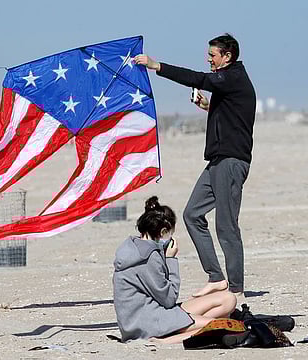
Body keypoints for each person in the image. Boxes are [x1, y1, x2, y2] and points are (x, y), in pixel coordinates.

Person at [134, 33, 256, 299]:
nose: (209, 60)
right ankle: (216, 277)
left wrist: (158, 67)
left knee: (226, 225)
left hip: (231, 161)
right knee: (191, 215)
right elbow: (232, 113)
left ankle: (236, 288)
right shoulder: (228, 83)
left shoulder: (234, 76)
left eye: (213, 56)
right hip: (216, 161)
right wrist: (208, 107)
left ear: (227, 56)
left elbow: (200, 79)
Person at [112, 196, 236, 343]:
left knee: (228, 299)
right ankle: (164, 340)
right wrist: (171, 260)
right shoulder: (148, 257)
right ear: (163, 231)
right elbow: (169, 299)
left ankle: (183, 327)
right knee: (218, 326)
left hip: (146, 316)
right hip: (148, 323)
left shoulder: (134, 246)